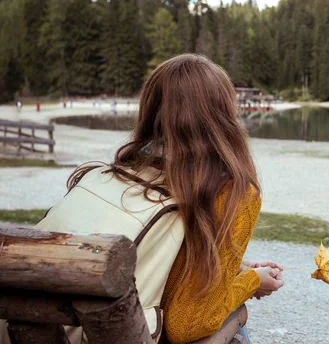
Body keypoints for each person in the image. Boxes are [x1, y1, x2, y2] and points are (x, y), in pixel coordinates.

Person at [39, 54, 283, 343]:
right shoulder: (232, 189)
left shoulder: (126, 168)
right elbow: (187, 323)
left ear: (152, 109)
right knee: (235, 314)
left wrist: (236, 267)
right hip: (109, 334)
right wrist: (253, 281)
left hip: (43, 322)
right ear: (223, 116)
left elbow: (156, 254)